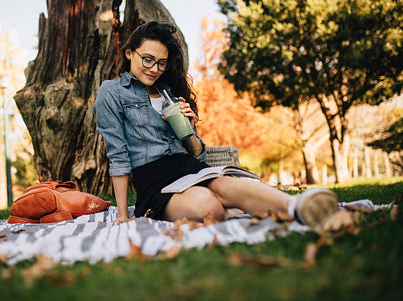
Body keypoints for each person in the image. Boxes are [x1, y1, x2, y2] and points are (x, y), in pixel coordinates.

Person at [94, 21, 338, 227]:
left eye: (161, 63)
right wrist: (124, 215)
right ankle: (238, 209)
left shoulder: (169, 93)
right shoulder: (112, 92)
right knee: (208, 206)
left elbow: (198, 153)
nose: (154, 69)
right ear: (129, 53)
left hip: (189, 168)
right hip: (155, 182)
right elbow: (118, 155)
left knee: (224, 183)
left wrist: (188, 128)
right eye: (147, 59)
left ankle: (302, 208)